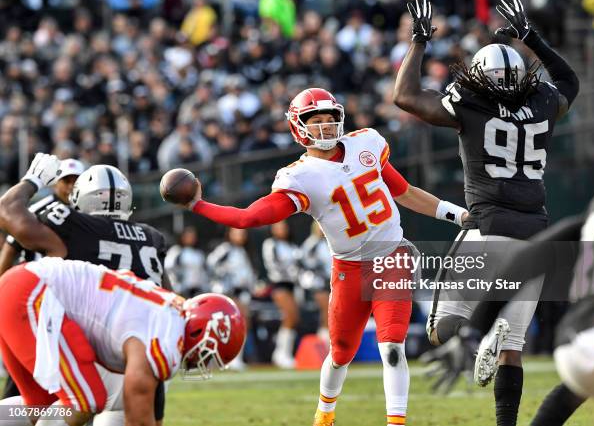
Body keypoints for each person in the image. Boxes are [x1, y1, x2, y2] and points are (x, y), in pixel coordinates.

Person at [165, 87, 469, 426]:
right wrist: (198, 205)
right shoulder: (300, 176)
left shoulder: (365, 143)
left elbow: (406, 192)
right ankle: (324, 414)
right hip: (349, 269)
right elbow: (248, 218)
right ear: (298, 128)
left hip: (392, 256)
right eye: (316, 121)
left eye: (329, 120)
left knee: (392, 347)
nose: (325, 127)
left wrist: (457, 215)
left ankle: (396, 423)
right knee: (339, 354)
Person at [392, 0, 579, 426]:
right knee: (513, 347)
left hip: (487, 228)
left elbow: (404, 96)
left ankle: (480, 337)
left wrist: (419, 41)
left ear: (479, 76)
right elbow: (569, 82)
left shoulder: (472, 104)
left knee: (442, 328)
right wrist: (531, 37)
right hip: (537, 235)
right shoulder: (544, 103)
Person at [0, 154, 172, 424]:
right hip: (128, 352)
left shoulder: (74, 225)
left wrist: (33, 180)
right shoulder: (151, 238)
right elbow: (165, 295)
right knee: (74, 404)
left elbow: (7, 210)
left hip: (76, 336)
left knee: (43, 408)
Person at [438, 183, 594, 425]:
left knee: (575, 389)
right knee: (519, 350)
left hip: (572, 347)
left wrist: (475, 328)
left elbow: (525, 262)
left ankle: (479, 337)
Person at [0, 256, 245, 426]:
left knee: (39, 406)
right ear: (199, 332)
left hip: (21, 285)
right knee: (84, 400)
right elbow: (137, 411)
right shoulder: (167, 334)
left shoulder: (167, 313)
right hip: (32, 295)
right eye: (209, 354)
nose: (200, 362)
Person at [0, 158, 84, 273]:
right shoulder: (37, 209)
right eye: (66, 181)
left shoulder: (87, 211)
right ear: (55, 182)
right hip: (34, 277)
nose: (71, 186)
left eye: (76, 182)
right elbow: (11, 246)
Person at [207, 227, 257, 371]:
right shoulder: (225, 249)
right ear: (229, 234)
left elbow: (248, 274)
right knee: (234, 323)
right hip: (229, 292)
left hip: (243, 292)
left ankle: (236, 357)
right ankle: (229, 358)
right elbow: (211, 264)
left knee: (244, 323)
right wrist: (225, 280)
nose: (240, 236)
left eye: (242, 233)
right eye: (236, 233)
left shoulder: (245, 251)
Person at [261, 220, 303, 369]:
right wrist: (290, 272)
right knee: (289, 315)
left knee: (294, 317)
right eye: (277, 227)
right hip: (279, 285)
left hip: (292, 286)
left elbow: (300, 266)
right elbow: (274, 264)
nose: (280, 230)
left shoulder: (292, 246)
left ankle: (284, 353)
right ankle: (281, 354)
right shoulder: (270, 244)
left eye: (283, 227)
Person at [300, 221, 332, 343]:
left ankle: (326, 340)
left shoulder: (328, 243)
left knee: (331, 313)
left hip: (329, 283)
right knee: (326, 311)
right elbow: (304, 262)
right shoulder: (312, 243)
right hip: (316, 284)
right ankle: (324, 342)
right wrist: (319, 272)